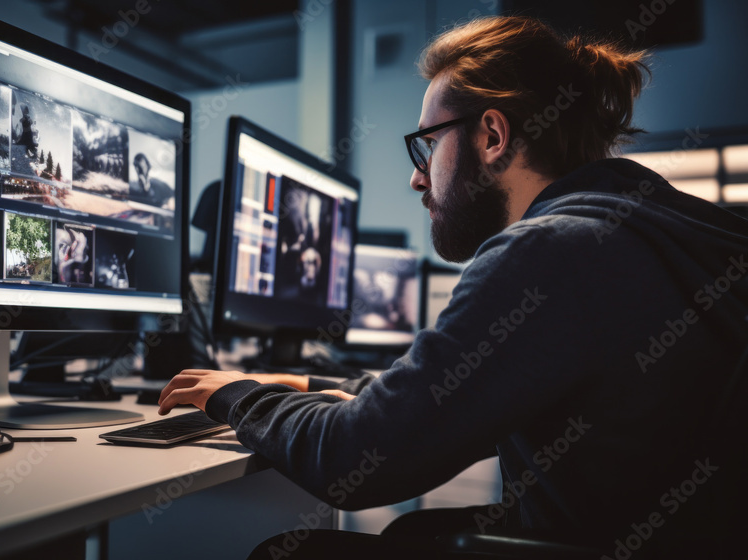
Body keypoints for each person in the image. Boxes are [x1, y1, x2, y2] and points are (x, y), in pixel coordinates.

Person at [157, 16, 748, 559]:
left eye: (428, 143)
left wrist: (234, 396)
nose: (418, 176)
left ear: (492, 136)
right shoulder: (655, 228)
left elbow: (355, 463)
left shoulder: (548, 251)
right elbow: (451, 395)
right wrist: (310, 385)